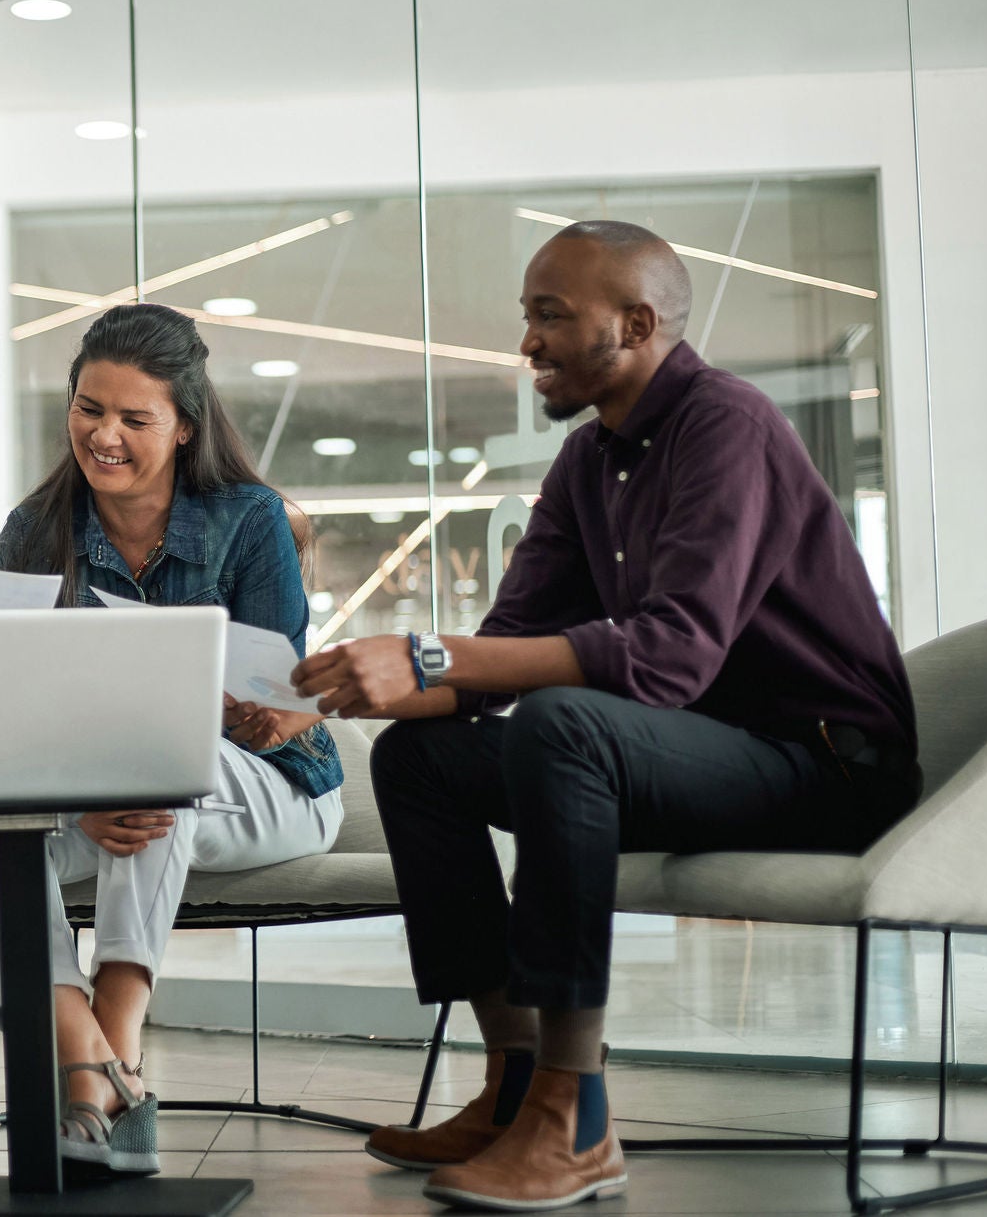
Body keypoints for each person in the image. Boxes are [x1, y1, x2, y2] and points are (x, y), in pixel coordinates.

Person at [291, 221, 920, 1212]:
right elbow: (499, 657)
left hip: (823, 765)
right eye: (526, 317)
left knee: (563, 723)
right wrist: (331, 699)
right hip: (692, 755)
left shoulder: (729, 427)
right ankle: (509, 1086)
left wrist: (424, 653)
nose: (526, 342)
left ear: (632, 324)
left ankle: (574, 1117)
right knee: (422, 759)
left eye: (549, 315)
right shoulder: (589, 462)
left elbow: (665, 656)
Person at [0, 303, 346, 1175]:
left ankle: (111, 1044)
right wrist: (78, 795)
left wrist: (258, 709)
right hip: (99, 788)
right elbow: (12, 704)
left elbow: (287, 691)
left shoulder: (249, 519)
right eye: (90, 409)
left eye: (134, 418)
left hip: (268, 785)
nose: (105, 435)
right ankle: (85, 1062)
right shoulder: (34, 531)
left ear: (184, 426)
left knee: (153, 764)